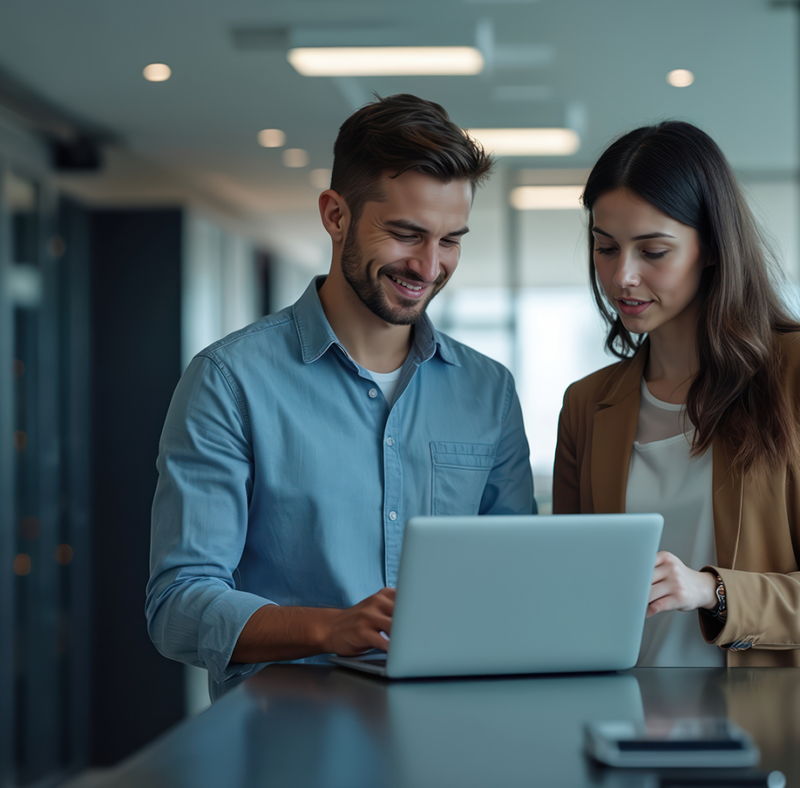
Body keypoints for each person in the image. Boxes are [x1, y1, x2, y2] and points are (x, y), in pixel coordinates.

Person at [146, 94, 535, 699]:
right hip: (288, 745)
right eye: (406, 234)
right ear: (335, 215)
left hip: (450, 734)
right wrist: (334, 628)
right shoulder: (229, 380)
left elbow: (514, 581)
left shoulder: (488, 390)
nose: (430, 266)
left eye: (451, 240)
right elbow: (178, 605)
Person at [553, 121, 800, 667]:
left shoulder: (790, 374)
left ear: (711, 248)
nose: (623, 277)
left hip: (761, 731)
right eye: (605, 248)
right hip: (622, 721)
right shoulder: (586, 406)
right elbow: (569, 593)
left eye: (654, 251)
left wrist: (713, 592)